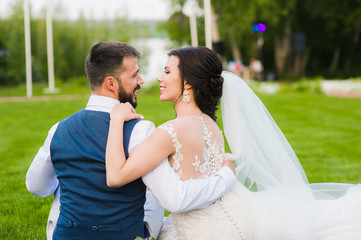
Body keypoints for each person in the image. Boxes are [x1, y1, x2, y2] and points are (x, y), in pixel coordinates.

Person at [105, 46, 361, 239]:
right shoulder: (210, 125)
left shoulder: (169, 132)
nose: (160, 78)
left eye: (168, 71)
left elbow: (116, 176)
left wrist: (116, 120)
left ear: (189, 82)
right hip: (231, 220)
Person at [26, 42, 236, 240]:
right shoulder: (141, 130)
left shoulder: (58, 129)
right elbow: (169, 196)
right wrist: (226, 176)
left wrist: (74, 178)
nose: (142, 81)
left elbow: (37, 186)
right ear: (111, 83)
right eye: (135, 75)